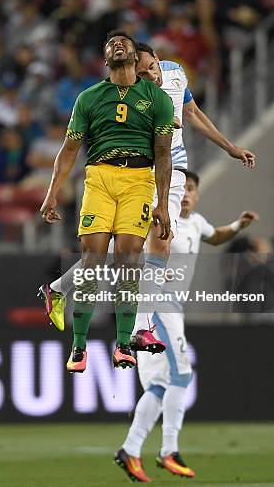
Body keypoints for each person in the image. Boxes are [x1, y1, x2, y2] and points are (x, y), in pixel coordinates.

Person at [42, 41, 256, 351]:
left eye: (152, 68)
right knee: (118, 251)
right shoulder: (131, 95)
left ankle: (134, 325)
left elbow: (193, 113)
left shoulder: (176, 73)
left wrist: (230, 147)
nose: (150, 76)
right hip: (138, 173)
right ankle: (69, 294)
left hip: (172, 168)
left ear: (159, 59)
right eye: (142, 74)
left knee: (157, 241)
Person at [40, 30, 175, 373]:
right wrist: (52, 192)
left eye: (124, 43)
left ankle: (124, 344)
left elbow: (163, 154)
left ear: (134, 56)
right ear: (106, 58)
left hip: (138, 180)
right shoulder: (88, 98)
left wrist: (161, 203)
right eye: (111, 43)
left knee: (129, 260)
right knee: (93, 260)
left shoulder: (158, 100)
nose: (117, 45)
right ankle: (79, 347)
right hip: (99, 178)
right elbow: (69, 149)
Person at [115, 171, 259, 482]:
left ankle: (130, 448)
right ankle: (169, 450)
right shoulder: (160, 219)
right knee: (182, 374)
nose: (186, 194)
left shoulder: (196, 222)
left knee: (160, 384)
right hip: (157, 305)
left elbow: (215, 236)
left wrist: (237, 226)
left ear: (196, 194)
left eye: (191, 189)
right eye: (182, 188)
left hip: (173, 308)